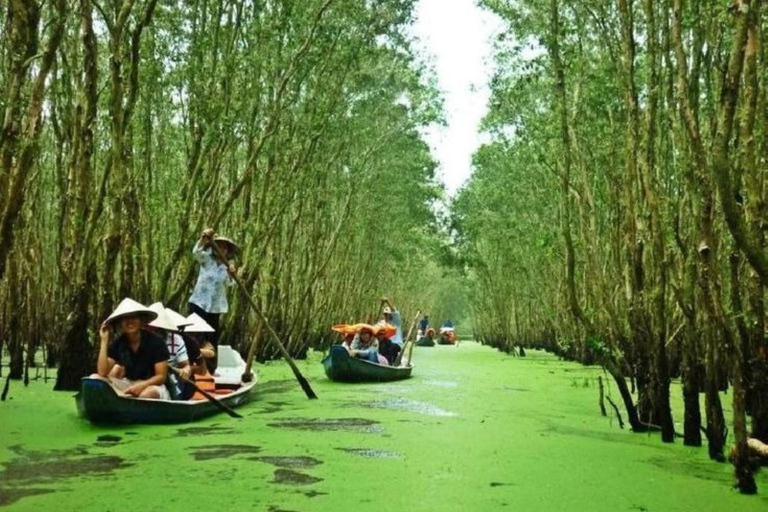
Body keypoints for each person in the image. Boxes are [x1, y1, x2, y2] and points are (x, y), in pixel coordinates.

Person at [95, 298, 170, 399]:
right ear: (120, 323)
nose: (130, 322)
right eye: (125, 318)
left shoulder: (156, 342)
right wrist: (104, 341)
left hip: (153, 386)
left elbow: (161, 377)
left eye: (134, 318)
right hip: (129, 384)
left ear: (141, 321)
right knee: (94, 378)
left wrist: (142, 385)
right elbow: (102, 372)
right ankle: (123, 398)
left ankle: (122, 398)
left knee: (146, 395)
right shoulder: (119, 343)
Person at [188, 227, 238, 373]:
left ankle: (210, 369)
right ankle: (193, 366)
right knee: (195, 336)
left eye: (225, 247)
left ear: (228, 251)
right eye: (219, 246)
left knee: (212, 338)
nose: (222, 249)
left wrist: (231, 273)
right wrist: (203, 239)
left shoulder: (226, 267)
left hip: (215, 308)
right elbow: (195, 252)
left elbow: (231, 283)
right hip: (198, 303)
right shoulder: (207, 259)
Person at [146, 303, 193, 400]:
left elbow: (186, 365)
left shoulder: (176, 340)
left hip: (168, 383)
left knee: (151, 392)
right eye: (149, 326)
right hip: (141, 380)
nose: (152, 330)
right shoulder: (137, 339)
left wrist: (185, 371)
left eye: (155, 328)